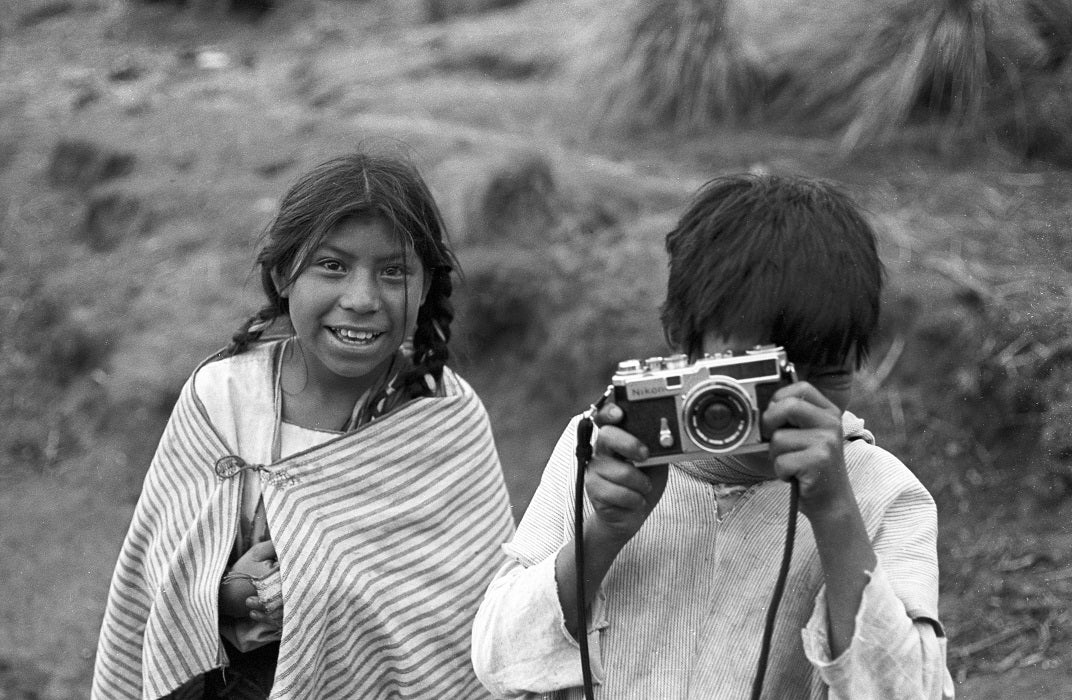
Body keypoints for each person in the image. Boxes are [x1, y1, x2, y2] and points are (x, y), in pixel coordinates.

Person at [471, 174, 955, 699]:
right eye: (753, 376)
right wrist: (602, 533)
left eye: (826, 375)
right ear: (684, 341)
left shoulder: (881, 495)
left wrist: (836, 514)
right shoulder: (603, 447)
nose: (790, 403)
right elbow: (498, 659)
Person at [92, 152, 515, 699]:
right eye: (332, 266)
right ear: (284, 272)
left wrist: (316, 586)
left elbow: (467, 620)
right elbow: (157, 588)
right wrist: (227, 595)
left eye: (393, 272)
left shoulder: (443, 420)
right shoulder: (222, 402)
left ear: (427, 285)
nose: (361, 299)